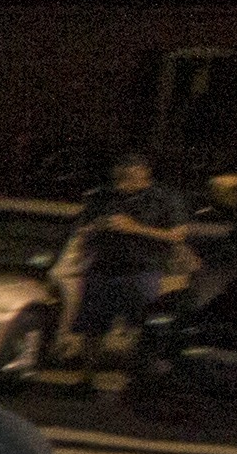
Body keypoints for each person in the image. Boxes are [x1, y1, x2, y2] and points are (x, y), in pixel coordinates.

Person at [59, 151, 189, 378]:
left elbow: (177, 235)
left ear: (144, 173)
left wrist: (134, 228)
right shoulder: (103, 197)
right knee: (93, 327)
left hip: (142, 270)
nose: (122, 183)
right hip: (102, 268)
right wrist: (99, 224)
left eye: (128, 177)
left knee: (140, 325)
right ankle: (86, 377)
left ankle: (136, 376)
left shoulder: (165, 198)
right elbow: (81, 229)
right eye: (119, 177)